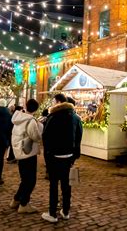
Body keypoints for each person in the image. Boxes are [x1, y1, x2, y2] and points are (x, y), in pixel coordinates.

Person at [41, 93, 82, 223]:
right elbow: (79, 137)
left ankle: (52, 213)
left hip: (54, 156)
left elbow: (46, 137)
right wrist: (75, 155)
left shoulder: (53, 116)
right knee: (66, 184)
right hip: (69, 156)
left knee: (54, 184)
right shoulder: (75, 117)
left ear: (58, 102)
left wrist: (47, 155)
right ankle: (65, 211)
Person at [10, 99, 43, 213]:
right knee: (30, 180)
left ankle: (16, 200)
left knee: (24, 179)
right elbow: (36, 137)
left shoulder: (18, 118)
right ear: (36, 109)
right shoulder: (31, 121)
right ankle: (24, 204)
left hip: (19, 152)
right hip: (28, 153)